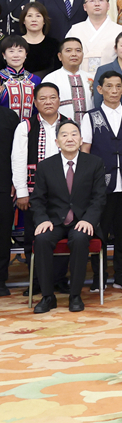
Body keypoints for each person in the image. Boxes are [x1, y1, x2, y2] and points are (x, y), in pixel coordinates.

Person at [31, 120, 106, 313]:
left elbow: (99, 198)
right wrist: (42, 220)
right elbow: (37, 199)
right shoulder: (46, 166)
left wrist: (89, 220)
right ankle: (48, 296)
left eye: (74, 134)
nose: (69, 138)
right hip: (54, 221)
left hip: (82, 220)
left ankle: (75, 295)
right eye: (64, 135)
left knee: (80, 239)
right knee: (41, 239)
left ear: (81, 140)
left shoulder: (94, 163)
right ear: (57, 142)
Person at [81, 70, 122, 292]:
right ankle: (99, 277)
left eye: (118, 86)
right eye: (109, 86)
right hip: (100, 186)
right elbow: (85, 152)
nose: (114, 91)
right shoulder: (90, 117)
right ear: (100, 89)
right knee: (100, 232)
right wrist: (87, 184)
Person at [10, 83, 66, 293]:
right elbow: (18, 160)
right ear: (35, 102)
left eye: (52, 97)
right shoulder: (26, 126)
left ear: (59, 100)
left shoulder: (68, 124)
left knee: (62, 235)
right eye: (43, 98)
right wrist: (22, 192)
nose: (48, 102)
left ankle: (59, 279)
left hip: (64, 194)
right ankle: (36, 281)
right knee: (33, 238)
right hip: (34, 194)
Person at [66, 0, 122, 80]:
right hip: (79, 78)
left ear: (108, 6)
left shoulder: (120, 30)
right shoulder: (75, 29)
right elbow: (66, 56)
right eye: (92, 1)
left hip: (110, 80)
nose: (97, 4)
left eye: (101, 0)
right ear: (85, 7)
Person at [42, 38, 93, 122]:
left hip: (89, 127)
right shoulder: (51, 79)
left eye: (78, 50)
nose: (74, 54)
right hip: (60, 127)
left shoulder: (91, 78)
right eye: (68, 50)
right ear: (60, 56)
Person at [0, 35, 41, 119]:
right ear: (4, 55)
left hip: (29, 125)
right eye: (11, 51)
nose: (16, 55)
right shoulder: (1, 77)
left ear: (26, 54)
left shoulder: (35, 80)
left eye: (20, 51)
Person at [0, 102, 17, 297]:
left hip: (4, 184)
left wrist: (15, 180)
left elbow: (17, 152)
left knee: (2, 235)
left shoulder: (9, 117)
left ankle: (0, 280)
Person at [19, 2, 61, 78]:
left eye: (38, 16)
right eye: (29, 16)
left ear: (44, 21)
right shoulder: (15, 43)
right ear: (23, 21)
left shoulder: (54, 44)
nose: (34, 20)